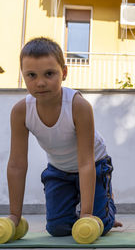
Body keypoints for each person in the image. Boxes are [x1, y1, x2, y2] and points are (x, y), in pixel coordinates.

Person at [7, 37, 122, 236]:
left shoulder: (78, 106)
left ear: (64, 73)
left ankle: (106, 206)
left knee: (99, 224)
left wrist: (86, 215)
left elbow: (85, 162)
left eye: (49, 74)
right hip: (59, 170)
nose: (40, 82)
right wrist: (14, 216)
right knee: (57, 228)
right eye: (31, 75)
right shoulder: (20, 112)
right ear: (23, 76)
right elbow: (17, 164)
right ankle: (85, 208)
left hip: (93, 164)